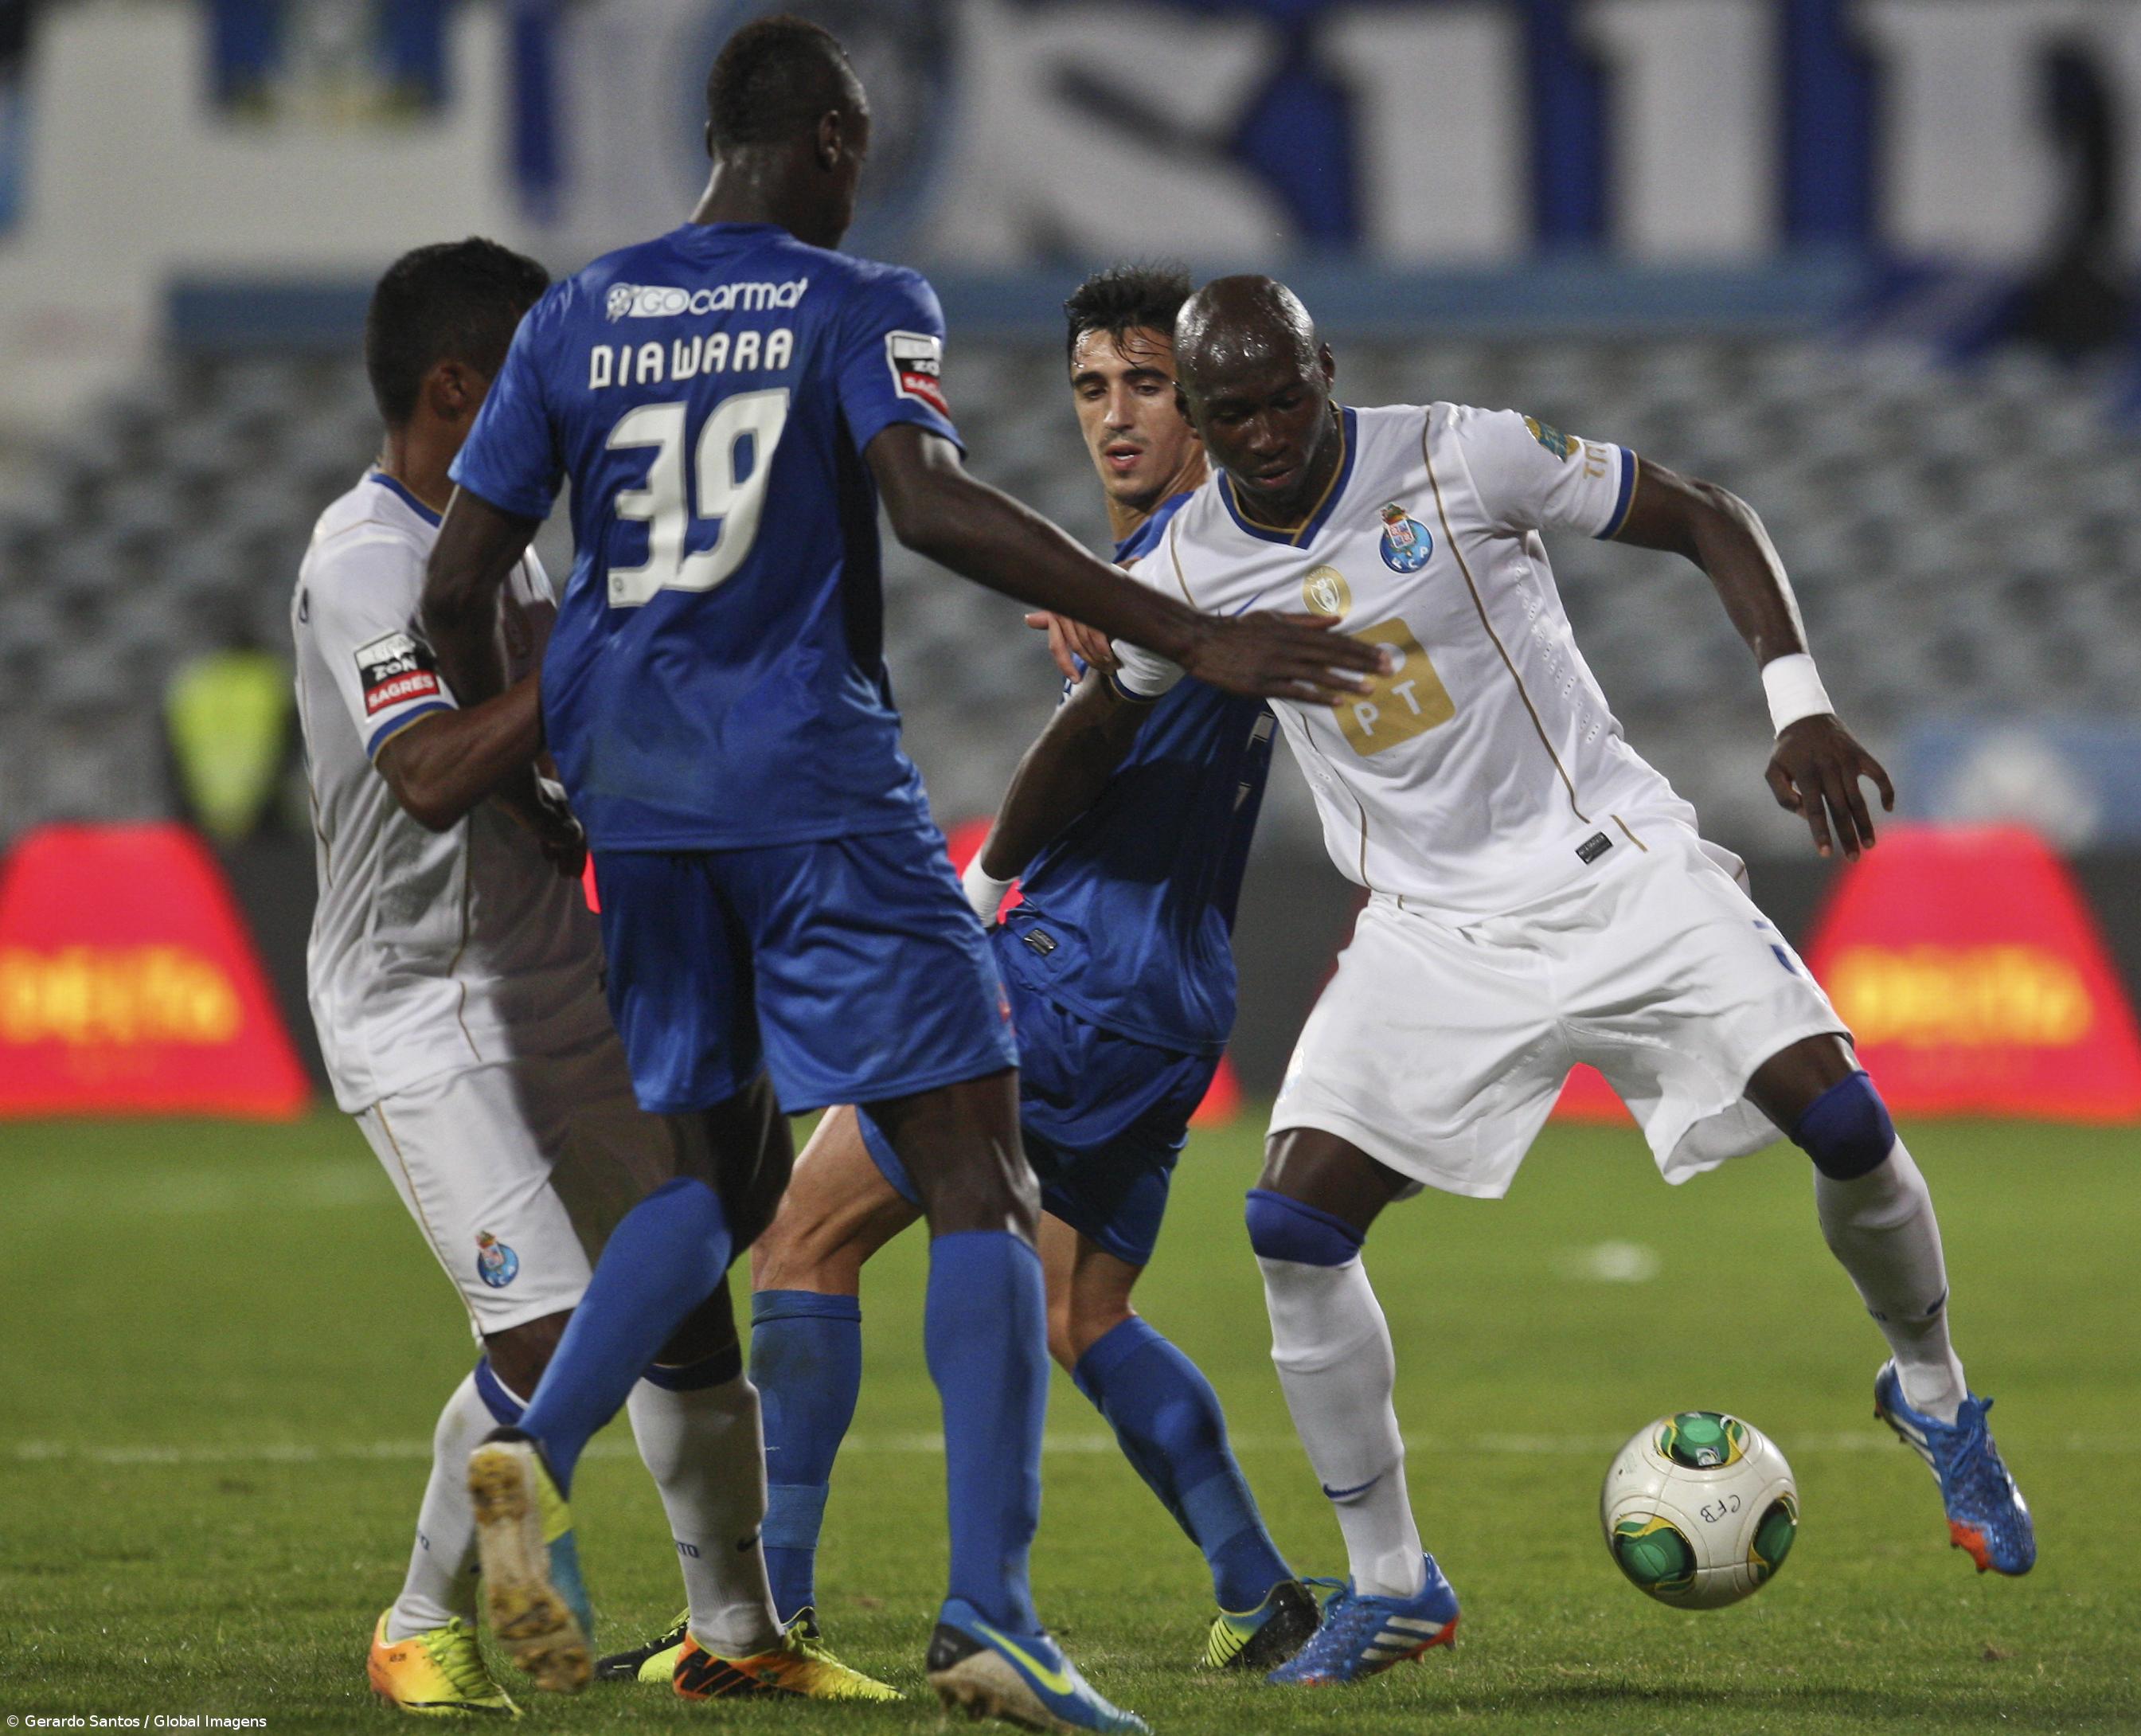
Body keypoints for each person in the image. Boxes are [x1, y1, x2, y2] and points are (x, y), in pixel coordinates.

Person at [418, 21, 1377, 1730]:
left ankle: (530, 1452)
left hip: (636, 803)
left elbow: (458, 583)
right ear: (841, 142)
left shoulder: (572, 315)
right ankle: (992, 1612)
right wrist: (1184, 632)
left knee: (713, 1185)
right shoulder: (853, 300)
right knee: (974, 1165)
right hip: (806, 777)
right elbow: (924, 505)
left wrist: (568, 757)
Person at [990, 275, 2037, 1688]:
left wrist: (1799, 707)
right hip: (1429, 930)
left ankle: (1932, 1398)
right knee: (1292, 1226)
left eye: (1284, 399)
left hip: (1612, 869)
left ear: (1327, 371)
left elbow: (1705, 513)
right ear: (1200, 412)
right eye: (1227, 411)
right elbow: (1093, 728)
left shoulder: (1459, 451)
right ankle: (1394, 1584)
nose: (1259, 434)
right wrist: (987, 885)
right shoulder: (1182, 572)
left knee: (1845, 1126)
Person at [597, 263, 1320, 1688]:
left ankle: (760, 1621)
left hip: (1065, 974)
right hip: (1174, 1003)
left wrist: (982, 883)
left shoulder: (1182, 567)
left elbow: (1101, 724)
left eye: (1150, 387)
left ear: (1211, 404)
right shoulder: (1174, 571)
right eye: (1092, 390)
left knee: (799, 1240)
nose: (1116, 418)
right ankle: (1260, 1590)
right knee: (1078, 1310)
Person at [295, 237, 888, 1713]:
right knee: (559, 1336)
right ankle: (418, 1623)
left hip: (561, 975)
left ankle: (736, 1634)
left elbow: (562, 720)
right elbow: (430, 768)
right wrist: (598, 672)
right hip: (421, 1003)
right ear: (457, 387)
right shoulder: (364, 561)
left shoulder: (507, 545)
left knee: (685, 1305)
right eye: (540, 380)